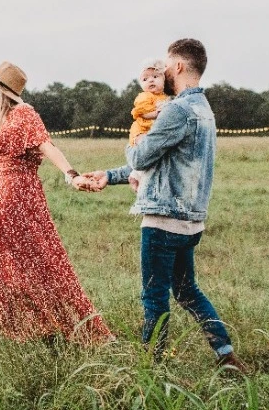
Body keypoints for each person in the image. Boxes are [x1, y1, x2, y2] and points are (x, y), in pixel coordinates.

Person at [83, 39, 247, 371]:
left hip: (163, 220)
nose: (163, 72)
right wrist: (109, 175)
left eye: (167, 66)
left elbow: (142, 156)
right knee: (187, 292)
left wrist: (134, 143)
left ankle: (152, 369)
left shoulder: (176, 110)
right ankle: (226, 356)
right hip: (190, 222)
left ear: (180, 67)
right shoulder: (203, 110)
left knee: (154, 298)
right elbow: (162, 163)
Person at [0, 61, 113, 343]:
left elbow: (47, 145)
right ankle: (4, 329)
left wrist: (72, 175)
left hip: (18, 197)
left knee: (38, 262)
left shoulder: (24, 114)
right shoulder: (6, 121)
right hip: (0, 199)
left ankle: (44, 325)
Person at [128, 58, 170, 190]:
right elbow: (142, 112)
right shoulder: (145, 96)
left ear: (164, 79)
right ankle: (136, 175)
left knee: (155, 154)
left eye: (155, 77)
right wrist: (157, 114)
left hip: (153, 131)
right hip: (142, 130)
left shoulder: (165, 97)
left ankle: (137, 175)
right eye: (145, 79)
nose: (150, 80)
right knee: (147, 149)